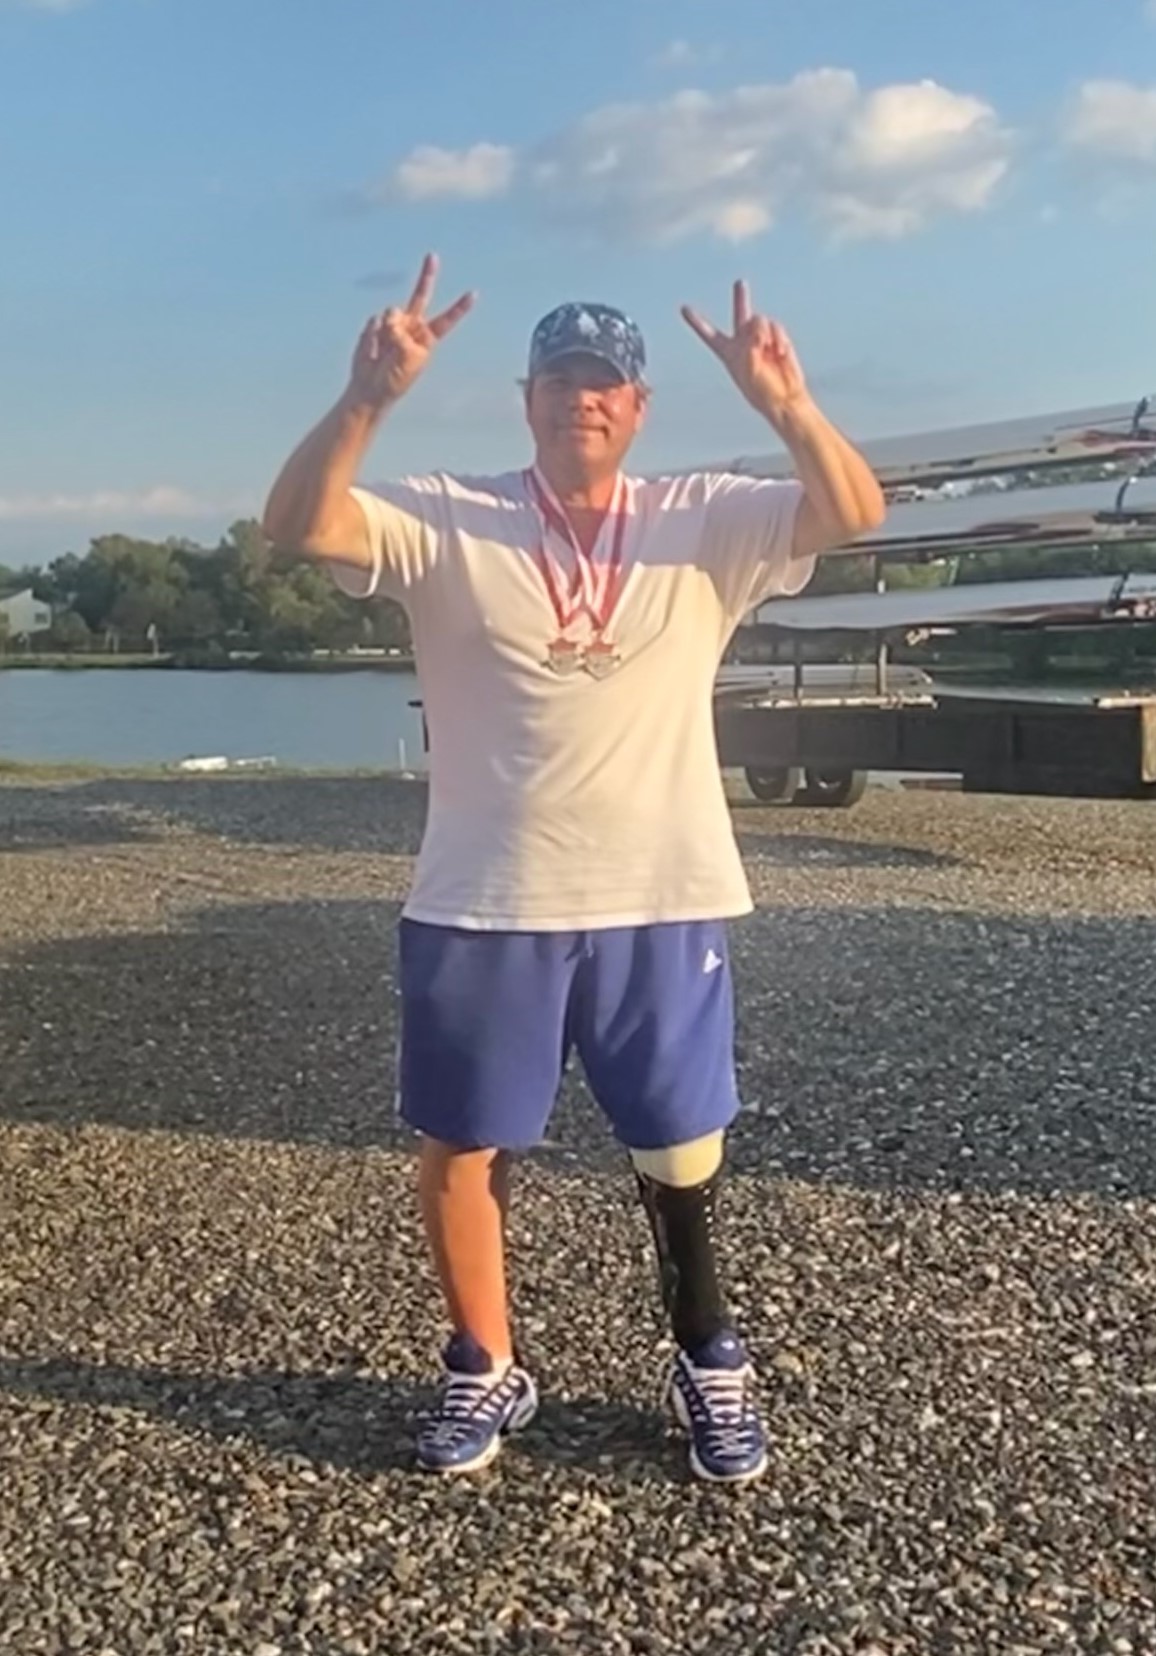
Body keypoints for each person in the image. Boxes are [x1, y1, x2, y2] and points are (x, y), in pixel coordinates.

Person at [262, 254, 885, 1484]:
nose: (580, 400)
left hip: (664, 886)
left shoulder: (708, 514)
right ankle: (482, 1364)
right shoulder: (448, 513)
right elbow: (295, 526)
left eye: (603, 383)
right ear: (527, 399)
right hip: (484, 893)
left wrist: (788, 407)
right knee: (462, 1142)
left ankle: (708, 1352)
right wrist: (365, 398)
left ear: (638, 408)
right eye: (558, 379)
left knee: (678, 1140)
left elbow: (856, 515)